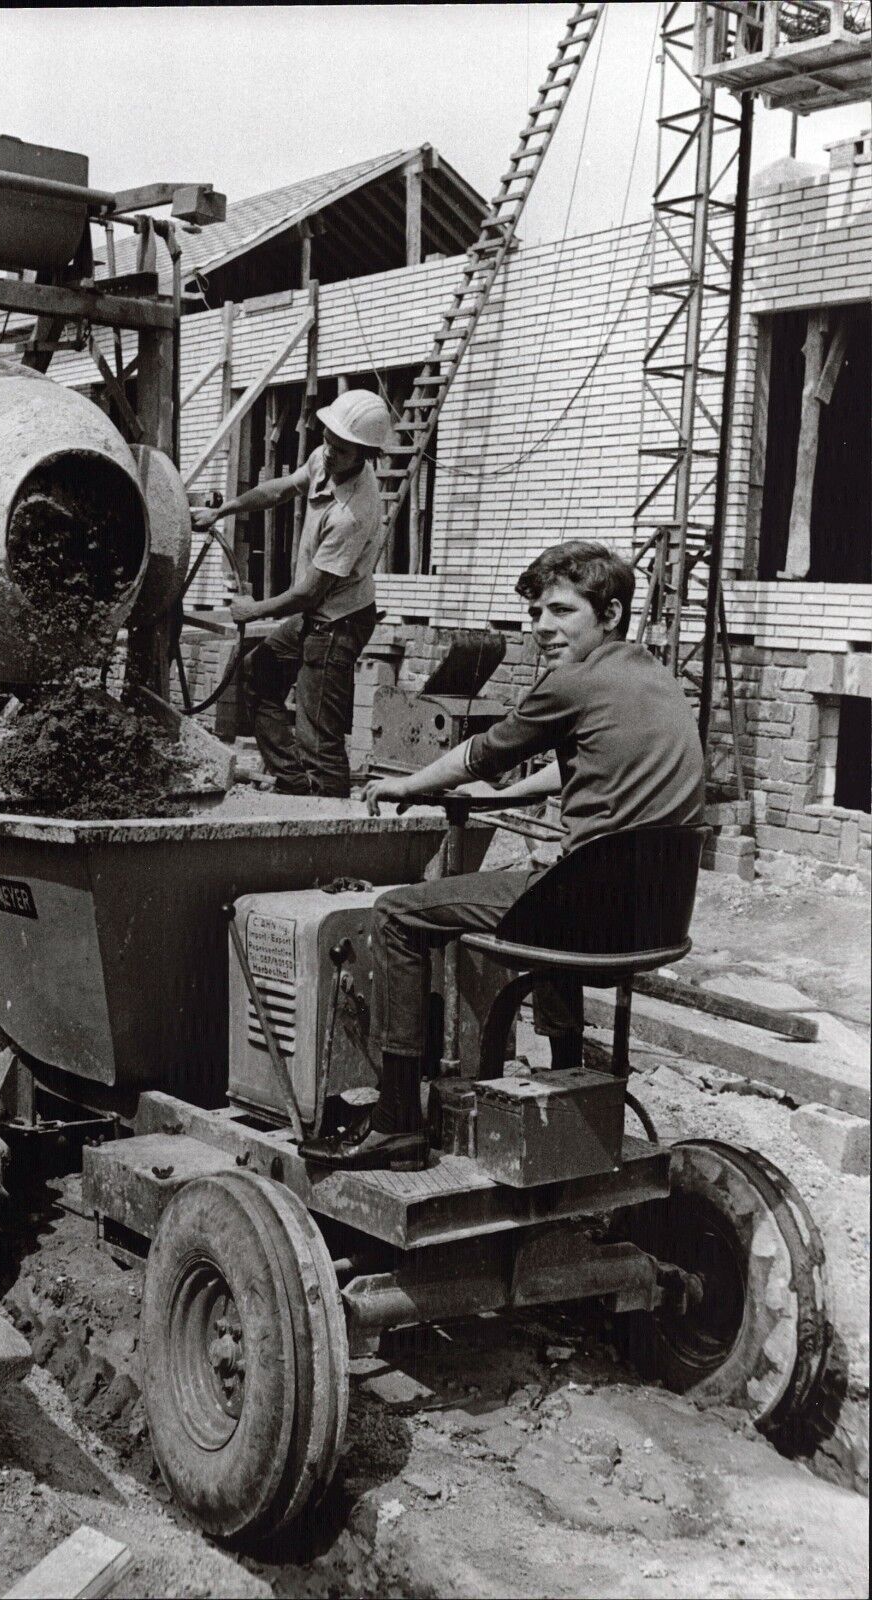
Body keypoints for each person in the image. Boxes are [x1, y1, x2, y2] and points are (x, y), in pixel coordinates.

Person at [301, 539, 705, 1170]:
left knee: (399, 913)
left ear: (612, 614)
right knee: (559, 879)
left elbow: (479, 754)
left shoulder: (570, 682)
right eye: (537, 613)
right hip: (651, 917)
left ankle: (396, 1118)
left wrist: (407, 784)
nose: (542, 627)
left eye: (562, 611)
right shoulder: (652, 676)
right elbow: (595, 765)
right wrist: (509, 795)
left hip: (587, 915)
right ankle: (569, 1080)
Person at [191, 389, 393, 796]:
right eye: (328, 442)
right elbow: (280, 489)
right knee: (258, 673)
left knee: (318, 738)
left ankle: (332, 825)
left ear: (364, 454)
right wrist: (223, 510)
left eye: (341, 449)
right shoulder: (325, 458)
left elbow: (309, 593)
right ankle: (295, 785)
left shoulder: (353, 513)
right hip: (315, 612)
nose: (329, 453)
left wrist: (255, 610)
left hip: (338, 623)